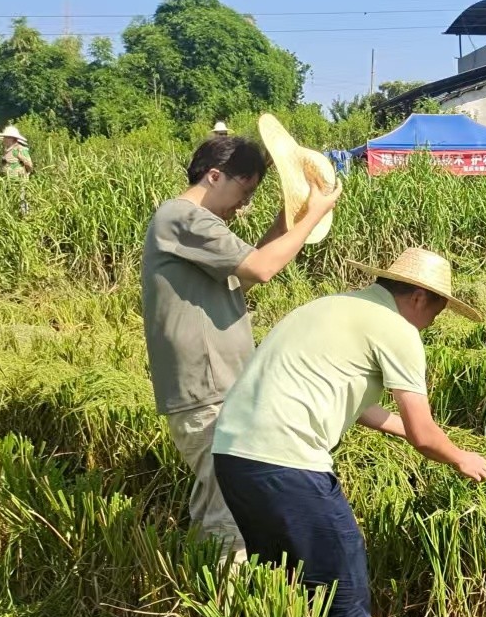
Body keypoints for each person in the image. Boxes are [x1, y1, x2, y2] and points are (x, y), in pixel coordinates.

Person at [212, 249, 486, 617]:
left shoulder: (334, 306)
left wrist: (409, 431)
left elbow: (355, 403)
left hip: (233, 456)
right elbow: (425, 435)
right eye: (436, 312)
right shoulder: (397, 329)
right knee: (341, 573)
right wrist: (460, 457)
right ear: (418, 298)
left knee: (286, 576)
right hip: (286, 458)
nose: (431, 324)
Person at [142, 134, 341, 560]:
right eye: (244, 191)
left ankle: (204, 589)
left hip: (219, 389)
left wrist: (290, 218)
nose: (243, 206)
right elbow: (262, 268)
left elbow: (244, 275)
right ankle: (223, 599)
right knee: (230, 518)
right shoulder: (184, 218)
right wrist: (314, 215)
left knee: (218, 509)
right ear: (215, 176)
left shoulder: (194, 228)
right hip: (207, 391)